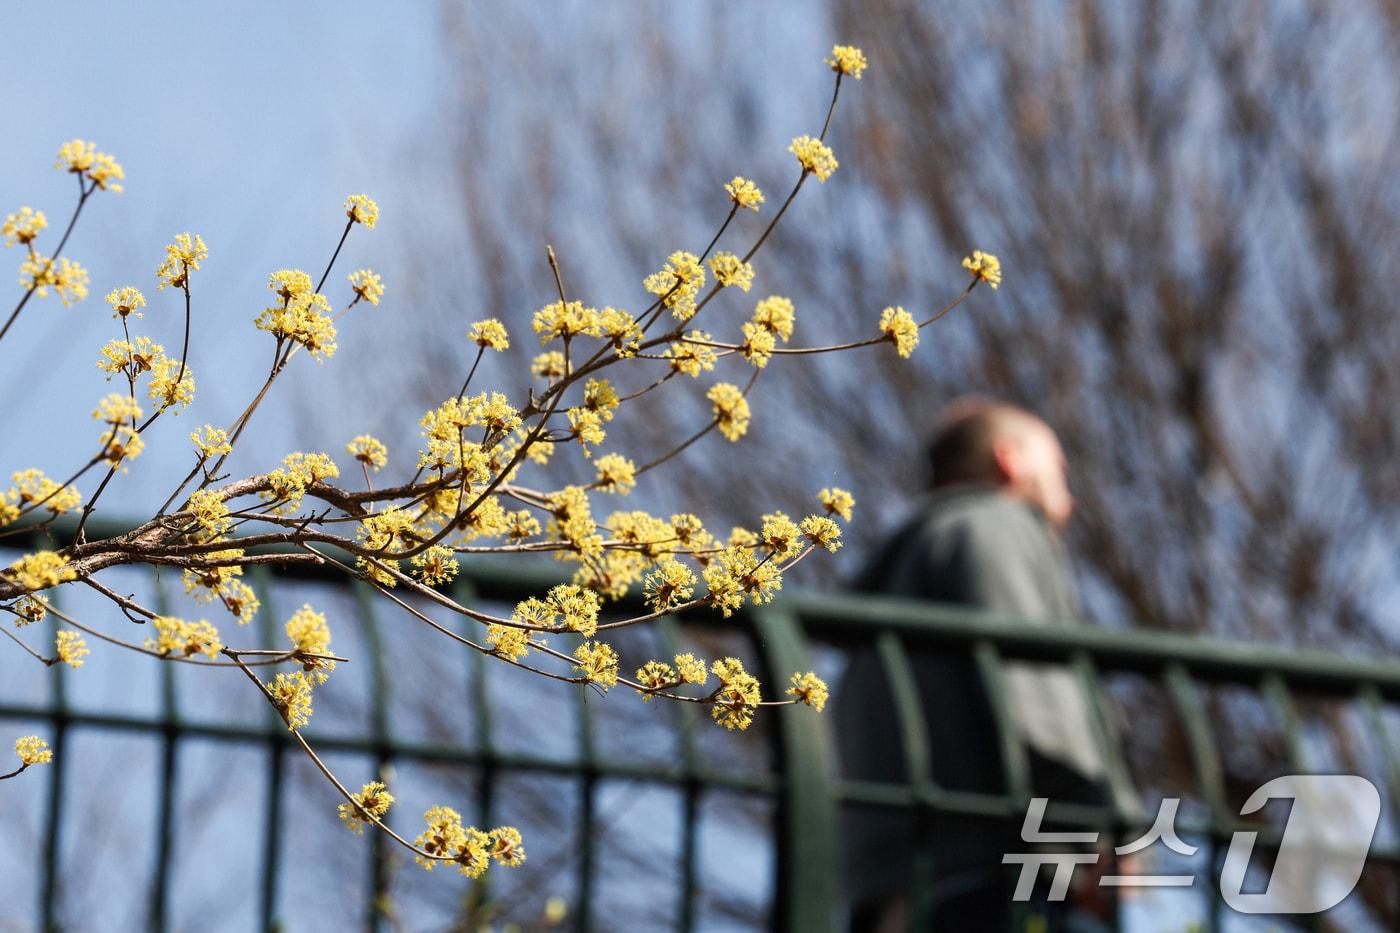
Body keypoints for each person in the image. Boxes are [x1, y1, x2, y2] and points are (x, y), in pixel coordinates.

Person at [837, 397, 1116, 931]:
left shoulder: (889, 591)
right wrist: (1098, 834)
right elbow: (1038, 697)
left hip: (899, 894)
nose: (1070, 500)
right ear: (1010, 460)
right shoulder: (994, 526)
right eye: (1058, 470)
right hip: (1006, 883)